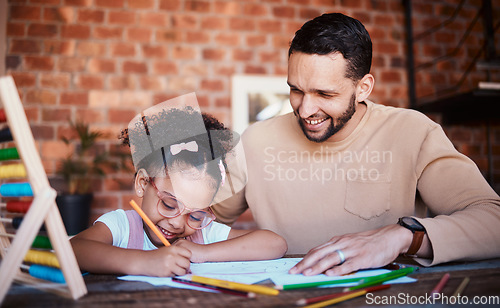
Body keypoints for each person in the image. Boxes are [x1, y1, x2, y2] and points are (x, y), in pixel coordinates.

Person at [213, 13, 500, 277]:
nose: (304, 109)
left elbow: (493, 221)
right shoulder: (255, 140)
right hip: (283, 298)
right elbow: (199, 220)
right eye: (296, 90)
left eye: (324, 94)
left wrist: (402, 236)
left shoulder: (412, 132)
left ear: (363, 88)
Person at [70, 101, 287, 277]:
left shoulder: (202, 236)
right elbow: (74, 250)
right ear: (143, 183)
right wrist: (144, 262)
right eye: (169, 204)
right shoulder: (122, 226)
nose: (177, 222)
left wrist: (203, 253)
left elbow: (275, 244)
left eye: (195, 215)